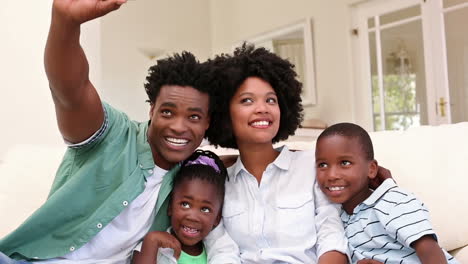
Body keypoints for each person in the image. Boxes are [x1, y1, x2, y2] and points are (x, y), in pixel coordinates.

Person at [0, 0, 239, 263]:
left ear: (206, 123)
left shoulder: (188, 179)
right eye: (168, 112)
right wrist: (65, 23)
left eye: (193, 117)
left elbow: (237, 165)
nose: (178, 126)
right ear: (151, 111)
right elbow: (71, 92)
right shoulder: (113, 134)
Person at [204, 44, 349, 263]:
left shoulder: (311, 165)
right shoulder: (217, 183)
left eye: (271, 100)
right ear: (224, 113)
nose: (263, 108)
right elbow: (221, 251)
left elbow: (331, 232)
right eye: (247, 100)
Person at [314, 122, 459, 264]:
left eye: (345, 163)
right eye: (323, 165)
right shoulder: (334, 218)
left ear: (371, 169)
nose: (332, 175)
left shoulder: (393, 202)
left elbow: (430, 252)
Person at [133, 150, 228, 264]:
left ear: (217, 218)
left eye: (205, 209)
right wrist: (151, 242)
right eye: (185, 204)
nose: (192, 216)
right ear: (170, 207)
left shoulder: (218, 252)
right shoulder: (152, 247)